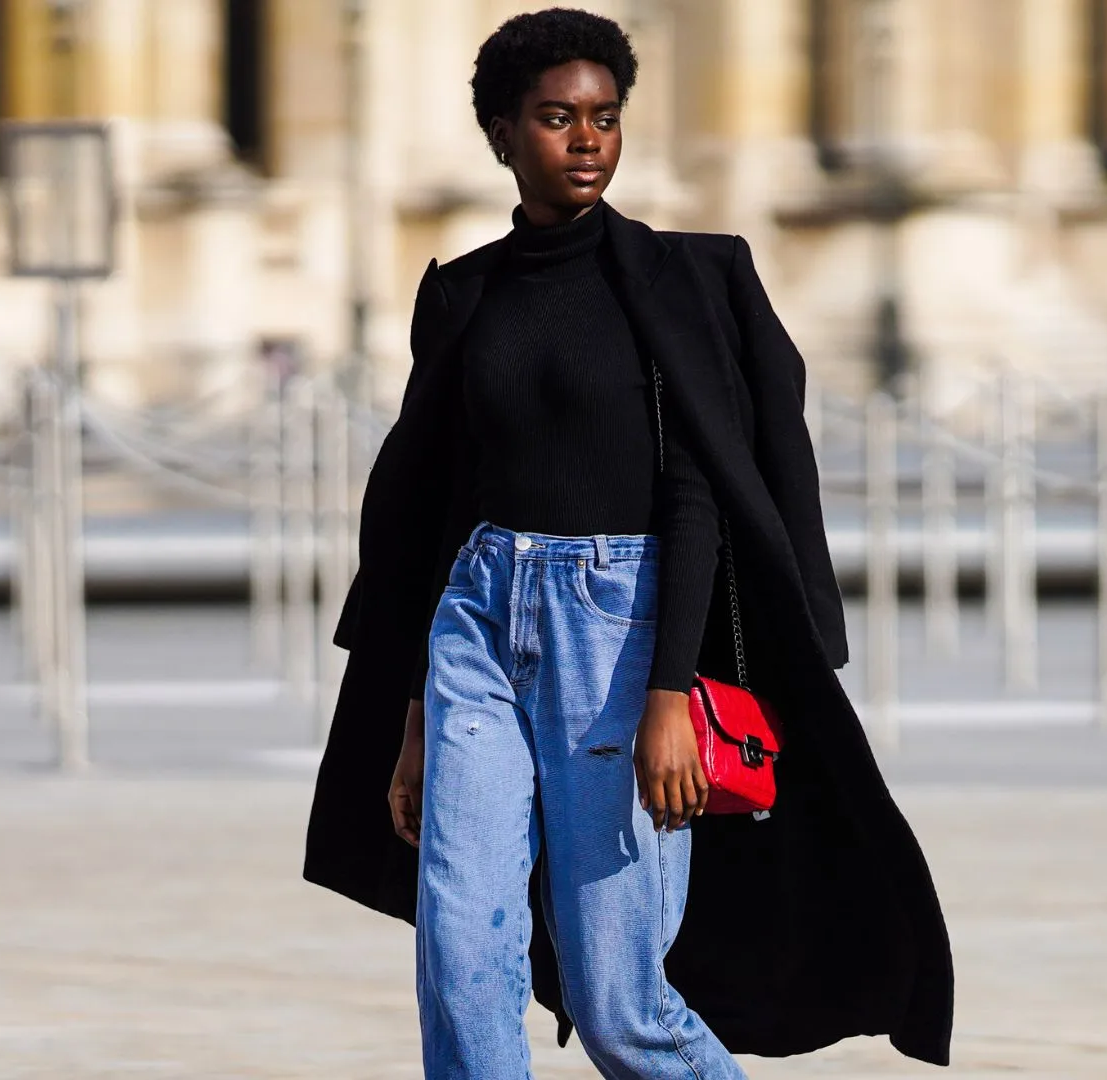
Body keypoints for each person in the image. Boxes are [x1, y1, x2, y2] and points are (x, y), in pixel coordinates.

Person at [304, 8, 954, 1076]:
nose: (588, 140)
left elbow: (697, 500)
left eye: (604, 117)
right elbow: (432, 510)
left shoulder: (683, 282)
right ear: (502, 133)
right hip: (473, 617)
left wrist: (668, 700)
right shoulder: (464, 293)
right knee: (462, 955)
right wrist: (414, 716)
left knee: (621, 1005)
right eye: (557, 118)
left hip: (622, 628)